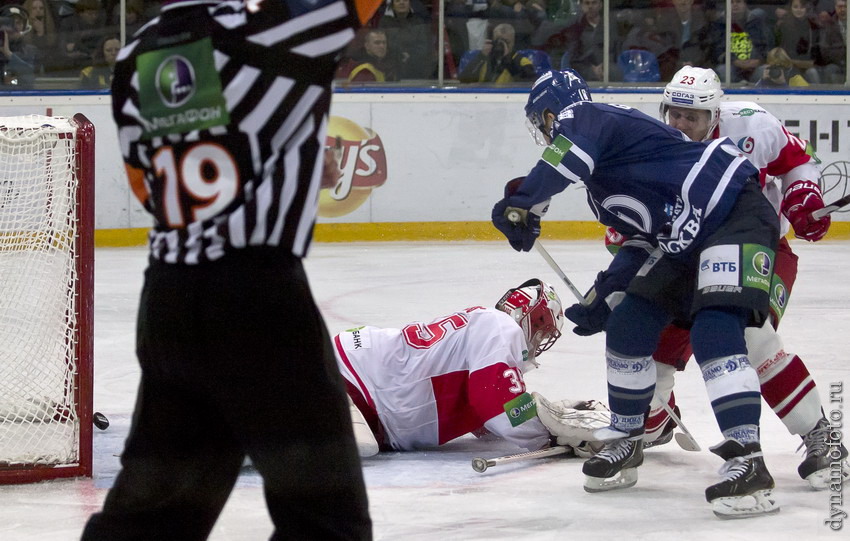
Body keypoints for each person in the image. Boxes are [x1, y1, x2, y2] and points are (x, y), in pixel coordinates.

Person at [81, 0, 384, 539]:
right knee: (327, 521)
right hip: (257, 303)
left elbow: (161, 183)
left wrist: (282, 163)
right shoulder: (274, 29)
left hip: (170, 300)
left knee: (152, 521)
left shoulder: (139, 49)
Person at [493, 68, 782, 518]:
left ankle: (748, 460)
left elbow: (563, 160)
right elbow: (642, 242)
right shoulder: (604, 181)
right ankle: (628, 439)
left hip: (732, 211)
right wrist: (605, 292)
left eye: (542, 122)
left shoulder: (585, 116)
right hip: (684, 238)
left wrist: (525, 200)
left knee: (714, 328)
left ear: (550, 113)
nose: (546, 132)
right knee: (627, 323)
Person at [567, 65, 847, 490]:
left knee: (750, 337)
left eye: (691, 117)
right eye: (673, 114)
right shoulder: (650, 145)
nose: (680, 124)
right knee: (646, 333)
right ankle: (644, 426)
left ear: (716, 115)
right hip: (684, 257)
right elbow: (633, 235)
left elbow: (798, 164)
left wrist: (803, 197)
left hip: (759, 248)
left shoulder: (752, 123)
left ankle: (821, 436)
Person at [333, 278, 609, 457]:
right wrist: (551, 436)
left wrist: (540, 412)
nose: (540, 341)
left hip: (358, 377)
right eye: (543, 330)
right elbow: (497, 410)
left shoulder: (486, 329)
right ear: (531, 320)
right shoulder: (502, 328)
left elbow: (486, 421)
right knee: (359, 447)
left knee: (360, 444)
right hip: (353, 381)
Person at [458, 22, 537, 83]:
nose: (501, 45)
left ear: (513, 42)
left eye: (506, 42)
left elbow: (529, 83)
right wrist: (481, 56)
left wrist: (507, 60)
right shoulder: (484, 59)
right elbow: (463, 79)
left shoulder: (521, 61)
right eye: (498, 41)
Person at [378, 0, 435, 80]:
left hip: (416, 70)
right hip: (391, 69)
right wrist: (399, 54)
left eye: (405, 0)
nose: (402, 3)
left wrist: (410, 55)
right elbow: (381, 45)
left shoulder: (418, 22)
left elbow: (424, 47)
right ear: (392, 5)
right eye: (397, 1)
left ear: (410, 3)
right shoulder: (384, 22)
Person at [774, 0, 821, 84]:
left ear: (807, 8)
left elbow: (815, 57)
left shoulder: (813, 27)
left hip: (806, 66)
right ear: (790, 8)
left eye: (802, 7)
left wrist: (799, 63)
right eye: (795, 7)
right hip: (787, 66)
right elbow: (779, 50)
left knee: (813, 72)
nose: (799, 10)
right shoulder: (783, 26)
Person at [0, 4, 36, 86]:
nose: (14, 27)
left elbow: (29, 81)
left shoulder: (30, 51)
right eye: (10, 23)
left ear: (24, 27)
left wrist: (8, 53)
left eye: (18, 23)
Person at [818, 0, 846, 83]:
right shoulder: (828, 25)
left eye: (846, 7)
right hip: (837, 64)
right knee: (830, 70)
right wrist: (842, 57)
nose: (843, 10)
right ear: (835, 8)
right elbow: (824, 51)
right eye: (840, 7)